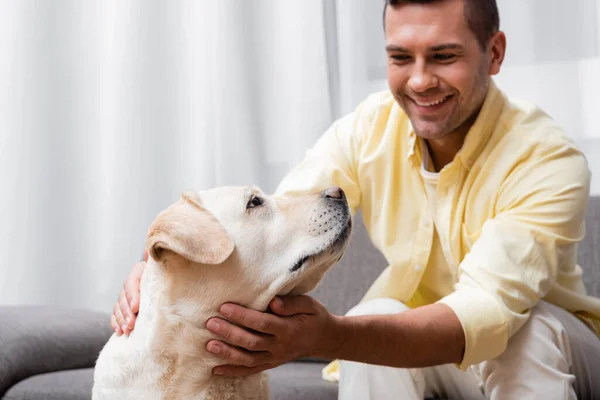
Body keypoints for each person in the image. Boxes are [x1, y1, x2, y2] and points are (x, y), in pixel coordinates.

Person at [111, 0, 600, 398]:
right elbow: (279, 226)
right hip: (437, 360)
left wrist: (333, 334)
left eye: (444, 56)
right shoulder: (371, 127)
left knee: (524, 333)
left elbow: (487, 311)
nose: (420, 80)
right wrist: (161, 267)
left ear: (494, 53)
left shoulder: (548, 159)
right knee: (375, 317)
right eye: (400, 57)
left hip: (558, 353)